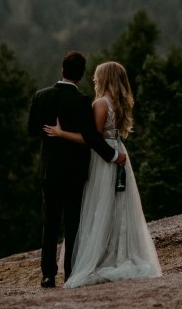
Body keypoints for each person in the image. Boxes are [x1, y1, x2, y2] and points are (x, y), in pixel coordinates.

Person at [44, 61, 162, 288]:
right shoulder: (119, 103)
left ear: (105, 78)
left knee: (98, 206)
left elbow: (91, 139)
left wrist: (61, 133)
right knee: (117, 207)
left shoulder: (100, 104)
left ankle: (98, 257)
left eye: (98, 76)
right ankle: (118, 252)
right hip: (118, 152)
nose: (95, 80)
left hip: (104, 159)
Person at [27, 51, 125, 289]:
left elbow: (31, 130)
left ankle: (48, 275)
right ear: (80, 75)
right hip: (74, 172)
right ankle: (71, 273)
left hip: (50, 170)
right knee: (72, 224)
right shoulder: (81, 101)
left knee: (49, 222)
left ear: (62, 70)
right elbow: (91, 137)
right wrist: (113, 155)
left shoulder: (41, 96)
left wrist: (52, 133)